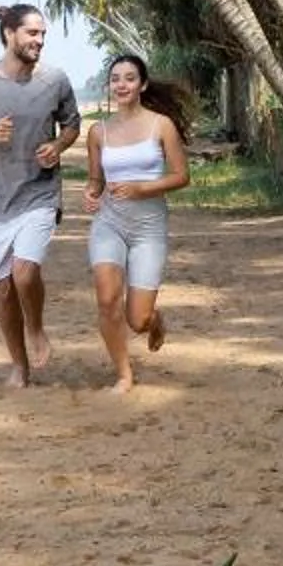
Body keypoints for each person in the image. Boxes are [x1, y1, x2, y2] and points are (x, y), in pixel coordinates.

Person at [0, 4, 81, 387]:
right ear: (10, 33)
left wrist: (58, 145)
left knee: (25, 272)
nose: (39, 41)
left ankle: (36, 328)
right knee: (3, 288)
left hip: (39, 192)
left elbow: (72, 125)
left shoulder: (55, 80)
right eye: (32, 34)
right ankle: (18, 366)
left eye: (42, 35)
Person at [83, 54, 191, 392]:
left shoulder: (161, 125)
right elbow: (95, 180)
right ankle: (123, 374)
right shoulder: (98, 131)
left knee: (137, 319)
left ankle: (154, 320)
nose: (122, 85)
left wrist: (143, 188)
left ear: (142, 84)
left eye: (129, 78)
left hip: (148, 228)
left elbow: (181, 176)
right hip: (109, 223)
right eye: (115, 79)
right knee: (106, 299)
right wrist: (91, 193)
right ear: (110, 86)